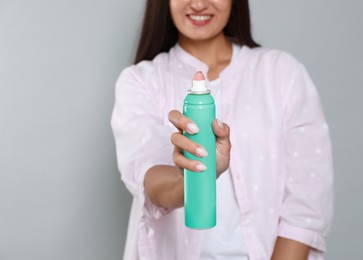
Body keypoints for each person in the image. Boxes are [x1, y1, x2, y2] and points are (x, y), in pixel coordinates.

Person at [111, 0, 334, 259]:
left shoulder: (282, 73)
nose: (198, 4)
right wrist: (195, 178)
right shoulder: (140, 81)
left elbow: (306, 202)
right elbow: (148, 178)